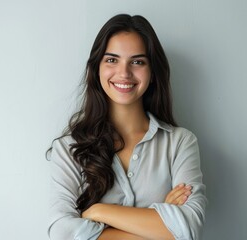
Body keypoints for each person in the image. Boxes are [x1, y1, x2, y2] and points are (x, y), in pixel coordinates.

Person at [47, 14, 207, 240]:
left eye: (137, 61)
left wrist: (97, 212)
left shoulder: (180, 142)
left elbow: (188, 229)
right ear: (97, 68)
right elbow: (61, 232)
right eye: (112, 60)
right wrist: (157, 223)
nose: (124, 73)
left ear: (152, 73)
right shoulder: (68, 149)